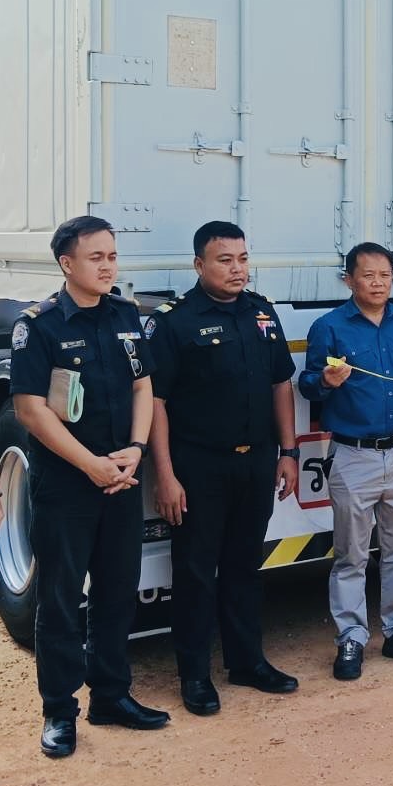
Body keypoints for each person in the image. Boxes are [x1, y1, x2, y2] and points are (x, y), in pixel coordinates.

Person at [11, 216, 168, 758]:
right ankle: (59, 711)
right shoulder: (40, 325)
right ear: (66, 263)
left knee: (117, 591)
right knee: (59, 599)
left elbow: (143, 386)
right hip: (67, 485)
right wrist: (90, 465)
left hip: (121, 479)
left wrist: (137, 449)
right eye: (96, 257)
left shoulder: (125, 315)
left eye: (112, 256)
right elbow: (30, 410)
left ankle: (111, 695)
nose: (107, 266)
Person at [147, 221, 300, 714]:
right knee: (195, 571)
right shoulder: (175, 322)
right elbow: (156, 401)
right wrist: (165, 474)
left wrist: (289, 452)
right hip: (199, 467)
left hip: (256, 461)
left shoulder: (262, 313)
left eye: (243, 259)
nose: (237, 269)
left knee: (244, 566)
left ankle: (247, 661)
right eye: (225, 260)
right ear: (199, 265)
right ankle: (194, 676)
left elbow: (280, 384)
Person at [299, 242, 393, 679]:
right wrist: (326, 380)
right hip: (353, 455)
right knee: (351, 555)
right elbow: (307, 384)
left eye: (385, 275)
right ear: (349, 280)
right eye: (368, 275)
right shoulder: (329, 327)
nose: (378, 283)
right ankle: (352, 636)